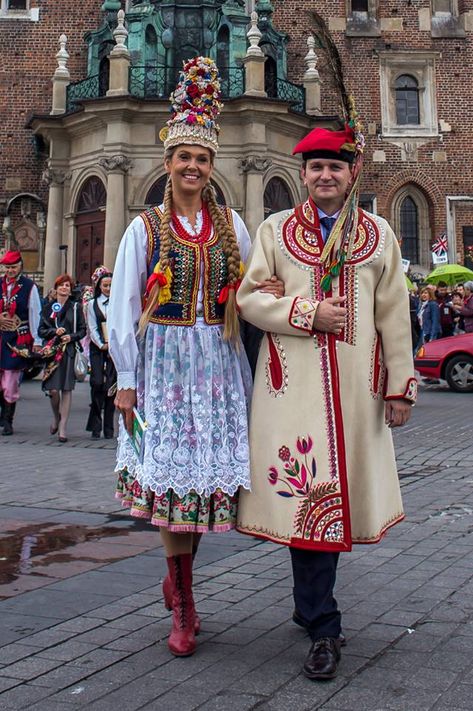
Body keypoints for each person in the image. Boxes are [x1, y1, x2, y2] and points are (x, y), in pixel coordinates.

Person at [108, 57, 283, 659]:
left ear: (212, 168)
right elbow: (122, 303)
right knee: (173, 487)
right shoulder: (143, 229)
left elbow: (254, 285)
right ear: (168, 163)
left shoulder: (232, 224)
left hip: (218, 360)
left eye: (202, 159)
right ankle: (183, 602)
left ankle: (179, 580)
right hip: (163, 366)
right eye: (184, 157)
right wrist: (125, 379)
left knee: (203, 493)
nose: (192, 167)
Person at [236, 122, 416, 681]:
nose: (324, 176)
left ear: (350, 172)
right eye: (315, 167)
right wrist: (305, 313)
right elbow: (249, 299)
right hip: (294, 393)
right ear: (303, 174)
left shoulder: (379, 235)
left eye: (334, 166)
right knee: (307, 502)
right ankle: (323, 625)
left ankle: (311, 605)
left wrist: (399, 385)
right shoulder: (275, 230)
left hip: (357, 392)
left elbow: (393, 314)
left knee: (338, 500)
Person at [38, 274, 86, 442]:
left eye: (68, 285)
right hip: (52, 352)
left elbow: (82, 330)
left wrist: (71, 337)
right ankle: (56, 417)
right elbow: (41, 330)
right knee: (52, 390)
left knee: (66, 389)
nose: (65, 288)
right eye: (62, 285)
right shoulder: (48, 307)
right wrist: (54, 332)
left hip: (68, 351)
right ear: (56, 288)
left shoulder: (75, 307)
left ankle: (63, 427)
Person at [0, 250, 42, 435]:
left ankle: (8, 420)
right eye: (7, 267)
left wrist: (37, 341)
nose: (10, 270)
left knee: (10, 382)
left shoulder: (29, 287)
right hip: (0, 336)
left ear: (20, 266)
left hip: (17, 338)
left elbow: (35, 314)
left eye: (13, 267)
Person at [85, 266, 116, 440]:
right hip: (98, 349)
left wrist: (113, 345)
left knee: (111, 387)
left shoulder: (118, 304)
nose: (108, 289)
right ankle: (95, 423)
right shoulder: (91, 304)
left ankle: (109, 427)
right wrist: (100, 344)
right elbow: (92, 327)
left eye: (111, 285)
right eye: (105, 286)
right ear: (99, 286)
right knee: (97, 383)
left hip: (113, 348)